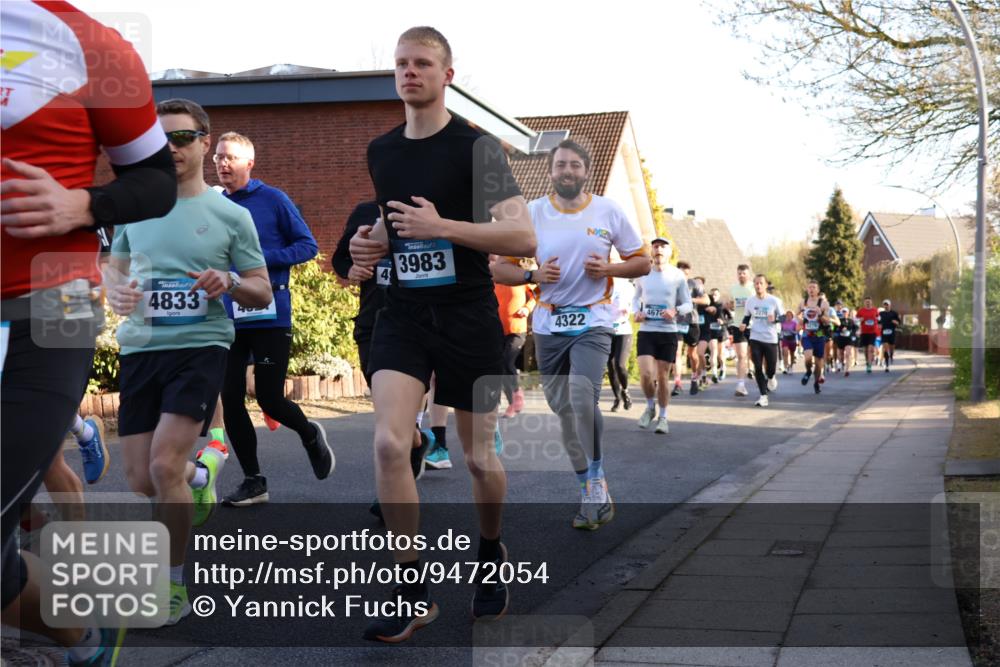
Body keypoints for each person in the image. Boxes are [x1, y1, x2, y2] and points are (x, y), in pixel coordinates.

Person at [1, 3, 178, 664]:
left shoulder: (93, 44)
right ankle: (84, 635)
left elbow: (156, 180)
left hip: (55, 301)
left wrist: (85, 204)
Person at [349, 26, 534, 642]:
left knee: (480, 456)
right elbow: (391, 221)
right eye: (401, 63)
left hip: (469, 317)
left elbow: (521, 237)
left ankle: (491, 549)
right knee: (387, 445)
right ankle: (410, 587)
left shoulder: (477, 150)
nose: (410, 72)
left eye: (422, 63)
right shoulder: (383, 150)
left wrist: (444, 227)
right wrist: (369, 241)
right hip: (402, 314)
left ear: (447, 74)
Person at [107, 98, 272, 627]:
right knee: (140, 478)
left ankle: (172, 585)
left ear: (205, 142)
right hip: (141, 349)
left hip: (201, 346)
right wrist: (117, 293)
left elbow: (260, 289)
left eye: (182, 138)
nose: (172, 149)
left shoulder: (231, 215)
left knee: (162, 465)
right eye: (162, 141)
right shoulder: (135, 207)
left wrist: (230, 282)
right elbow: (114, 270)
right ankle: (202, 475)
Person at [494, 139, 648, 530]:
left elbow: (642, 261)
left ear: (586, 171)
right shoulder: (532, 213)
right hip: (548, 323)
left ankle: (596, 481)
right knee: (564, 412)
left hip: (594, 319)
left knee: (583, 398)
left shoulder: (608, 211)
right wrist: (532, 275)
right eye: (560, 164)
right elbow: (499, 268)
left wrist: (609, 270)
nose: (567, 171)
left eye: (575, 165)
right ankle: (588, 488)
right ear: (550, 171)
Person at [209, 131, 332, 507]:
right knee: (230, 398)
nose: (221, 164)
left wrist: (259, 261)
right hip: (230, 315)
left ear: (249, 163)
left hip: (270, 313)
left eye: (229, 157)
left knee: (269, 398)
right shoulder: (212, 205)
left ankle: (309, 433)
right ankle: (254, 481)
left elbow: (308, 246)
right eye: (217, 158)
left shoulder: (273, 199)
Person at [632, 237, 691, 434]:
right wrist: (637, 312)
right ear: (651, 251)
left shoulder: (677, 275)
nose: (658, 250)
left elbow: (688, 304)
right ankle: (650, 407)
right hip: (647, 330)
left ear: (669, 251)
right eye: (655, 246)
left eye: (662, 247)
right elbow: (635, 298)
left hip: (668, 332)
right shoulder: (643, 273)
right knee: (646, 374)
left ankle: (663, 417)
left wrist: (675, 311)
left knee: (663, 376)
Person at [493, 257, 536, 418]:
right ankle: (511, 402)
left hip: (517, 328)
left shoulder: (520, 276)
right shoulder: (495, 278)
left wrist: (527, 308)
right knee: (501, 367)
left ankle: (517, 394)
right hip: (498, 329)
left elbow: (536, 295)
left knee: (506, 361)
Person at [740, 275, 783, 407]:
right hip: (755, 337)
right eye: (756, 283)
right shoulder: (750, 301)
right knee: (757, 366)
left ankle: (770, 377)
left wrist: (775, 320)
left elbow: (783, 318)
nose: (758, 285)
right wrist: (743, 324)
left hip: (770, 338)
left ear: (765, 285)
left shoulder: (774, 301)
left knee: (770, 369)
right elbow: (747, 317)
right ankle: (763, 396)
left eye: (761, 283)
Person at [797, 280, 838, 393]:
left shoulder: (823, 303)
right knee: (808, 356)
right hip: (807, 333)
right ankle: (808, 371)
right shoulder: (803, 302)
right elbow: (796, 315)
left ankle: (816, 383)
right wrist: (801, 320)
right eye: (809, 287)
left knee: (819, 361)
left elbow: (827, 321)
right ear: (807, 289)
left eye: (814, 287)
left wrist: (820, 314)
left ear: (818, 290)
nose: (811, 289)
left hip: (819, 334)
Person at [607, 276, 635, 411]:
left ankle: (625, 390)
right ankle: (617, 398)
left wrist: (629, 309)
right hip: (606, 329)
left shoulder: (628, 285)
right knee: (611, 366)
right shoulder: (603, 282)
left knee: (620, 364)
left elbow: (636, 304)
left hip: (623, 329)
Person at [678, 262, 706, 395]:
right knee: (676, 353)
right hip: (676, 322)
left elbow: (706, 300)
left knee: (692, 354)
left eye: (686, 272)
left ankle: (694, 377)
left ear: (689, 273)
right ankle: (677, 383)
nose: (683, 274)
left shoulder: (694, 284)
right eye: (681, 271)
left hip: (692, 322)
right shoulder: (671, 284)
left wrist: (692, 300)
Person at [726, 265, 754, 397]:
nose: (741, 275)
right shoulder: (733, 288)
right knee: (742, 355)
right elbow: (730, 304)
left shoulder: (754, 288)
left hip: (754, 326)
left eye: (744, 273)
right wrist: (731, 305)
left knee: (755, 355)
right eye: (739, 273)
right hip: (738, 324)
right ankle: (741, 385)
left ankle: (769, 377)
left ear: (748, 275)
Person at [856, 296, 881, 374]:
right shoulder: (861, 311)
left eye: (869, 302)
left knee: (870, 348)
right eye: (866, 302)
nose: (867, 303)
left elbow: (879, 318)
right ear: (864, 303)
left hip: (872, 332)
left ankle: (869, 365)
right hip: (864, 332)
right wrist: (860, 320)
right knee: (865, 350)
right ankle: (867, 361)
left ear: (871, 302)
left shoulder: (875, 310)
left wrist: (878, 322)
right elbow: (855, 319)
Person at [833, 306, 858, 377]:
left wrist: (853, 334)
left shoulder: (851, 321)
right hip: (841, 339)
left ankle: (847, 370)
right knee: (840, 354)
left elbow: (855, 328)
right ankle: (841, 364)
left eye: (845, 312)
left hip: (848, 339)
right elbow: (835, 329)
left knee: (848, 353)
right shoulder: (839, 321)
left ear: (848, 313)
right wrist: (840, 330)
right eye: (843, 312)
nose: (844, 313)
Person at [878, 299, 901, 372]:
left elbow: (899, 322)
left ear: (890, 305)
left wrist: (895, 322)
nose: (886, 306)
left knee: (892, 347)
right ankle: (887, 364)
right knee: (885, 347)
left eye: (887, 304)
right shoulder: (881, 314)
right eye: (884, 304)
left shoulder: (894, 313)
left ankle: (891, 355)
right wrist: (879, 325)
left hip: (892, 332)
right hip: (884, 333)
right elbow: (878, 322)